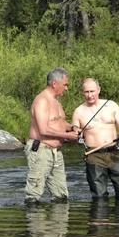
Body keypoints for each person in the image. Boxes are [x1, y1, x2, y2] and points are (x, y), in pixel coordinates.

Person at [25, 68, 80, 203]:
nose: (66, 88)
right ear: (55, 83)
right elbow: (43, 129)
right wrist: (67, 136)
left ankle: (58, 223)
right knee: (34, 195)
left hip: (56, 153)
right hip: (41, 151)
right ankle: (35, 221)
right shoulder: (42, 100)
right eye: (65, 84)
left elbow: (60, 123)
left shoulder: (56, 101)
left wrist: (72, 128)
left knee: (61, 196)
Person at [72, 78, 119, 199]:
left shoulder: (112, 105)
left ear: (99, 90)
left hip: (114, 151)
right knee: (99, 196)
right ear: (83, 93)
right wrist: (77, 135)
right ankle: (100, 217)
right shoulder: (79, 111)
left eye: (92, 91)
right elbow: (75, 133)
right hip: (94, 155)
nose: (90, 95)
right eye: (86, 92)